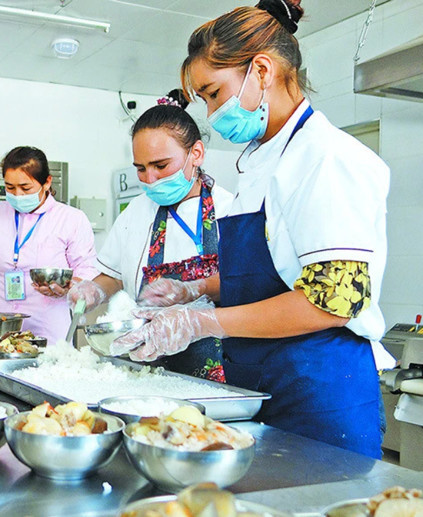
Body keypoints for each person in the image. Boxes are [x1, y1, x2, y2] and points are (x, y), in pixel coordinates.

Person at [118, 0, 390, 458]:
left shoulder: (325, 159)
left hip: (318, 395)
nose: (210, 111)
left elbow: (332, 301)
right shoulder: (260, 162)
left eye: (212, 93)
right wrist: (195, 290)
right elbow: (275, 274)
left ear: (261, 70)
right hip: (260, 385)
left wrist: (201, 321)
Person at [68, 91, 234, 382]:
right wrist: (93, 290)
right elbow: (114, 274)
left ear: (196, 153)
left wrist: (193, 289)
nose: (150, 179)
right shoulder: (137, 211)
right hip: (147, 365)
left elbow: (245, 283)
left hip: (220, 366)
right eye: (141, 169)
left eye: (161, 166)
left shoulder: (230, 209)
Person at [0, 146, 99, 343]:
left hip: (46, 322)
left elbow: (87, 268)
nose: (18, 195)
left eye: (26, 188)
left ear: (46, 182)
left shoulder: (71, 219)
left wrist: (69, 287)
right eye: (10, 188)